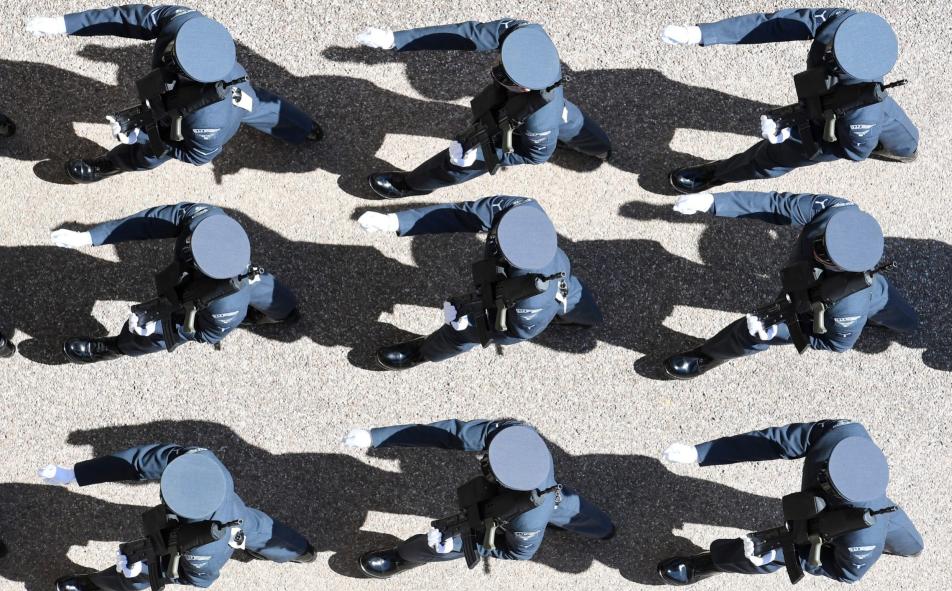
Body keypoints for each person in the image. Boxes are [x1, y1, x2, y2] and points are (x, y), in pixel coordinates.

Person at [26, 5, 322, 183]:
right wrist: (65, 25)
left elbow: (195, 155)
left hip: (203, 112)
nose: (167, 56)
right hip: (217, 91)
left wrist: (143, 137)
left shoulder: (210, 122)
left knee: (151, 153)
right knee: (253, 102)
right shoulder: (184, 22)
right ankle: (304, 128)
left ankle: (113, 164)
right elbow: (128, 18)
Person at [662, 191, 918, 379]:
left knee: (905, 320)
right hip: (801, 285)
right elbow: (778, 205)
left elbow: (836, 344)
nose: (817, 250)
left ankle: (897, 322)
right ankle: (708, 356)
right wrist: (715, 202)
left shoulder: (849, 307)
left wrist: (782, 332)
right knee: (753, 330)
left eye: (828, 256)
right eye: (821, 242)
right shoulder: (836, 209)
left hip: (837, 301)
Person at [662, 9, 918, 192]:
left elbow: (852, 150)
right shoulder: (844, 23)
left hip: (861, 137)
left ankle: (717, 174)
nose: (828, 47)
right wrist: (701, 33)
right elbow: (775, 24)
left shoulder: (862, 116)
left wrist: (795, 133)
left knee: (773, 158)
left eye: (835, 53)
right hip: (830, 106)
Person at [355, 19, 611, 198]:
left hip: (531, 116)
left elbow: (535, 155)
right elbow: (469, 34)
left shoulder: (540, 122)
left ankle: (414, 184)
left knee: (463, 157)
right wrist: (395, 40)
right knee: (573, 122)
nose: (497, 61)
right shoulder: (521, 32)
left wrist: (475, 156)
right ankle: (600, 148)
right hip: (540, 106)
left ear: (523, 88)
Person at [657, 419, 923, 585]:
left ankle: (714, 562)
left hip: (850, 526)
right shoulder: (842, 434)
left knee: (763, 551)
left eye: (827, 478)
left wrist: (797, 551)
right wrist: (701, 453)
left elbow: (847, 573)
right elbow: (775, 442)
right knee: (901, 533)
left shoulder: (863, 538)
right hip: (842, 512)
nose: (821, 474)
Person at [343, 419, 614, 578]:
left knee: (445, 543)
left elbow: (517, 552)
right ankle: (603, 529)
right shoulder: (510, 433)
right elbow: (450, 435)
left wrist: (463, 543)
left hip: (522, 510)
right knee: (566, 505)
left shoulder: (528, 520)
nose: (483, 459)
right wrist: (377, 437)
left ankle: (406, 555)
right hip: (539, 493)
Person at [38, 444, 315, 591]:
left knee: (140, 570)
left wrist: (149, 567)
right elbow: (142, 461)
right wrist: (76, 473)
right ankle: (299, 550)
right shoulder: (195, 461)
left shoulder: (207, 549)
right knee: (257, 527)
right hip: (231, 508)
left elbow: (197, 578)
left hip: (205, 537)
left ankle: (100, 584)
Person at [359, 195, 602, 369]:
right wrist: (397, 221)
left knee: (461, 333)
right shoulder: (521, 208)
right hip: (548, 275)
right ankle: (587, 316)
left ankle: (424, 352)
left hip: (532, 306)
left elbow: (511, 330)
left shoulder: (533, 303)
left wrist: (466, 315)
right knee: (576, 300)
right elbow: (464, 213)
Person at [51, 202, 298, 363]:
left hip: (215, 297)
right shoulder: (205, 219)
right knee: (260, 284)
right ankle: (284, 309)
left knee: (153, 332)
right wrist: (89, 237)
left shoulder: (228, 306)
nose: (188, 244)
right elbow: (149, 221)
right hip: (224, 278)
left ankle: (117, 347)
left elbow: (204, 333)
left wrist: (158, 330)